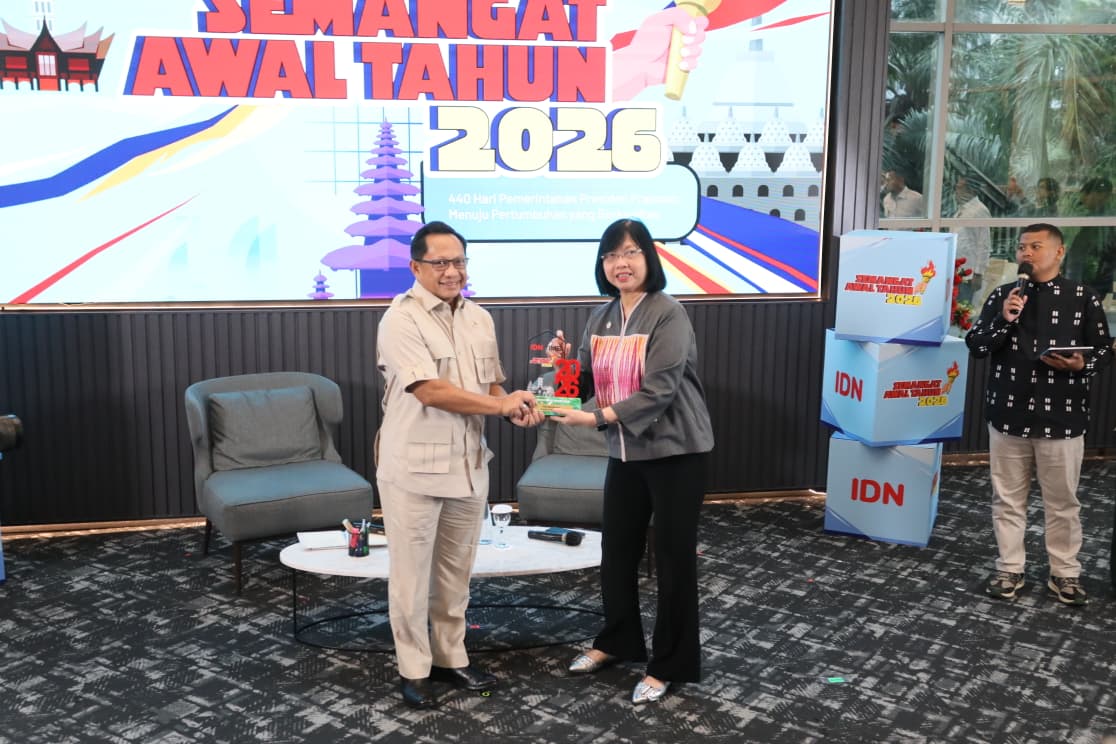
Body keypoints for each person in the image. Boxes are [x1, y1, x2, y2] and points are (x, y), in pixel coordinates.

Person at [375, 221, 544, 709]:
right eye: (441, 263)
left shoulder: (479, 318)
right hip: (413, 468)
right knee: (411, 578)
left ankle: (451, 658)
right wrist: (500, 404)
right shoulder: (400, 320)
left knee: (455, 574)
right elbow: (431, 391)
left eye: (459, 261)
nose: (452, 272)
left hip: (468, 465)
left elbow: (490, 384)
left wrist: (515, 407)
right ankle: (413, 669)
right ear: (416, 267)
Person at [553, 218, 714, 705]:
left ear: (648, 257)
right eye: (610, 255)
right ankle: (618, 641)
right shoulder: (600, 317)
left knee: (673, 560)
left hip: (676, 452)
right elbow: (579, 386)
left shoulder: (669, 314)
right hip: (625, 453)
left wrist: (596, 418)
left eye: (630, 252)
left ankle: (669, 664)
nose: (620, 263)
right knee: (617, 551)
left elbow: (658, 391)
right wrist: (562, 364)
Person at [965, 223, 1112, 607]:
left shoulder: (1083, 297)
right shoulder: (1004, 295)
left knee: (1063, 502)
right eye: (1022, 247)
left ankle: (1065, 573)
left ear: (1059, 252)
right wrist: (1005, 318)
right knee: (1007, 499)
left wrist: (1081, 364)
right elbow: (976, 344)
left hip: (1062, 416)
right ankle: (1009, 568)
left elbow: (1103, 351)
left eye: (1035, 246)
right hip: (1008, 413)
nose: (1026, 253)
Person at [1065, 176, 1115, 299]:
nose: (1083, 201)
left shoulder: (1105, 219)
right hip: (1094, 277)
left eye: (1084, 197)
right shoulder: (1089, 217)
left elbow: (1077, 256)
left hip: (1100, 276)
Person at [953, 176, 992, 303]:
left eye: (959, 188)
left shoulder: (979, 210)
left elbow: (984, 244)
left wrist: (978, 273)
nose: (956, 191)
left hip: (968, 273)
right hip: (956, 270)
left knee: (963, 308)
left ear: (970, 190)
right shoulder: (962, 209)